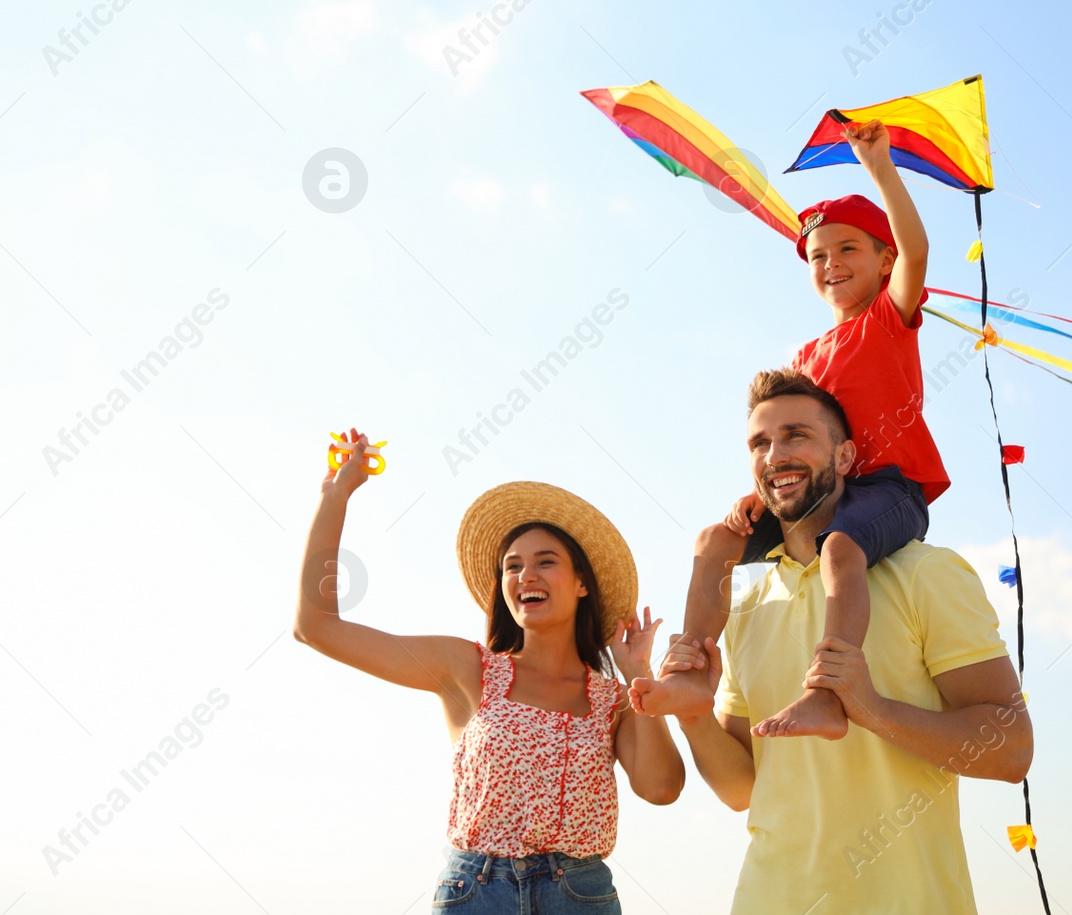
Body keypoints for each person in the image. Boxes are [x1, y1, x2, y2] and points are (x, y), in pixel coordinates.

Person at [631, 371, 1031, 913]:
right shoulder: (746, 604)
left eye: (797, 435)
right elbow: (742, 790)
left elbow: (1011, 752)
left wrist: (871, 710)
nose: (776, 454)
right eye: (760, 443)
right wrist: (696, 716)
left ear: (844, 458)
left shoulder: (926, 573)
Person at [635, 117, 947, 738]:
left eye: (848, 249)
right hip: (820, 492)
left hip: (889, 489)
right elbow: (790, 440)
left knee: (840, 547)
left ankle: (828, 696)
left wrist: (879, 167)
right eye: (818, 255)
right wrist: (762, 494)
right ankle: (694, 663)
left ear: (884, 261)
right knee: (714, 541)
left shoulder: (889, 318)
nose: (831, 263)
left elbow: (918, 251)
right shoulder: (805, 357)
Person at [294, 429, 684, 913]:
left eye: (546, 562)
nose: (526, 576)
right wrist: (335, 498)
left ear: (582, 582)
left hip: (580, 896)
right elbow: (317, 628)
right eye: (512, 567)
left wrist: (637, 674)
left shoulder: (615, 699)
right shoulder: (466, 667)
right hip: (475, 892)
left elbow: (662, 789)